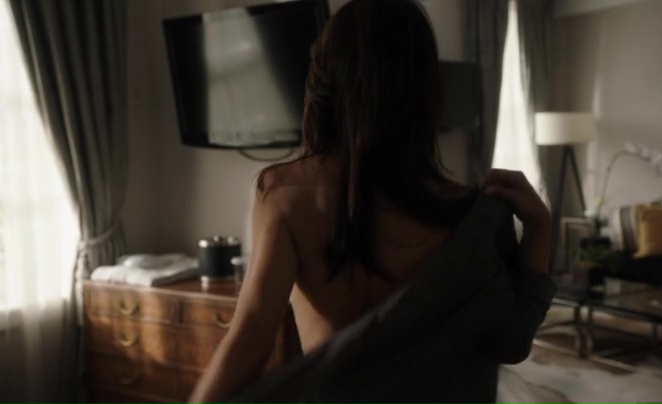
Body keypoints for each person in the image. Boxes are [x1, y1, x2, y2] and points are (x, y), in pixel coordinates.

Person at [188, 0, 555, 403]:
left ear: (325, 78)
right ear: (428, 89)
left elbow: (249, 342)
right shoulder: (475, 216)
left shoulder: (285, 196)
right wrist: (540, 227)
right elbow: (512, 342)